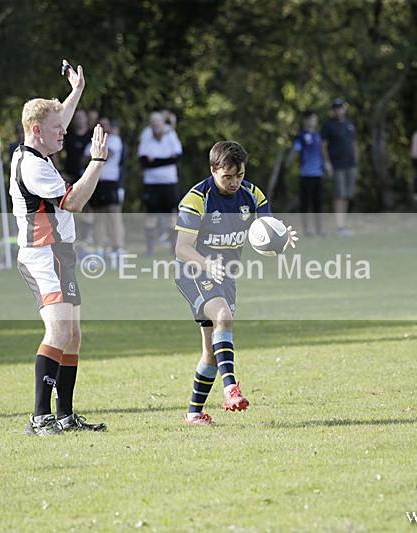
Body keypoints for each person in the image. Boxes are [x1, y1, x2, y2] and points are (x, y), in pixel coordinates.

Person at [9, 59, 109, 436]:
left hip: (60, 252)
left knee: (73, 334)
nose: (64, 132)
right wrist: (96, 162)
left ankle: (65, 415)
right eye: (57, 129)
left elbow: (58, 119)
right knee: (58, 331)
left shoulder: (38, 148)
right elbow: (75, 202)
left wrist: (76, 89)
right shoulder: (33, 166)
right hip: (42, 252)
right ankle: (39, 418)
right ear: (37, 131)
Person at [175, 140, 298, 426]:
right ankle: (231, 389)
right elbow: (182, 248)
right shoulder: (197, 198)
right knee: (223, 316)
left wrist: (281, 236)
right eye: (227, 176)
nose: (234, 182)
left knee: (211, 353)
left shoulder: (252, 194)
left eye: (239, 175)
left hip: (225, 274)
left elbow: (265, 230)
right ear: (213, 170)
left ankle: (194, 415)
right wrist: (207, 264)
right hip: (194, 270)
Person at [82, 116, 127, 266]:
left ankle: (119, 247)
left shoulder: (114, 140)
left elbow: (106, 155)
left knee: (114, 216)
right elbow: (83, 160)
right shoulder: (91, 142)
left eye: (105, 124)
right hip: (96, 182)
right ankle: (99, 249)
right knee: (98, 217)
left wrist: (94, 156)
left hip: (110, 182)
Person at [138, 110, 183, 256]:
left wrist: (155, 160)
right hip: (152, 183)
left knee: (171, 215)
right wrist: (165, 160)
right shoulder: (146, 135)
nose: (156, 128)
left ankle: (174, 249)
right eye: (154, 125)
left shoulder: (171, 135)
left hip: (168, 182)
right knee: (150, 216)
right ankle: (149, 250)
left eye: (159, 124)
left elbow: (176, 157)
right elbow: (144, 161)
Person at [321, 98, 359, 236]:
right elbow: (323, 145)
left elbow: (354, 143)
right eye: (335, 108)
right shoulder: (328, 125)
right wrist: (328, 164)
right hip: (337, 166)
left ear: (344, 108)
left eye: (340, 107)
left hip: (350, 165)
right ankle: (339, 226)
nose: (338, 110)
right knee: (339, 195)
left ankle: (344, 225)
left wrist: (356, 161)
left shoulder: (349, 124)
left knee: (347, 195)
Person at [291, 110, 325, 236]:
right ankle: (306, 230)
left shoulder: (318, 136)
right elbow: (295, 153)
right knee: (305, 204)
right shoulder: (301, 136)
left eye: (314, 119)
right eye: (310, 119)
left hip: (318, 174)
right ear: (305, 121)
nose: (312, 121)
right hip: (305, 175)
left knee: (318, 204)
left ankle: (319, 229)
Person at [63, 108, 93, 183]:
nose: (79, 119)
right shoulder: (67, 135)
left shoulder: (93, 135)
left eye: (81, 117)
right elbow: (55, 153)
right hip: (69, 176)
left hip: (88, 176)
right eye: (76, 117)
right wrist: (60, 172)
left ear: (86, 118)